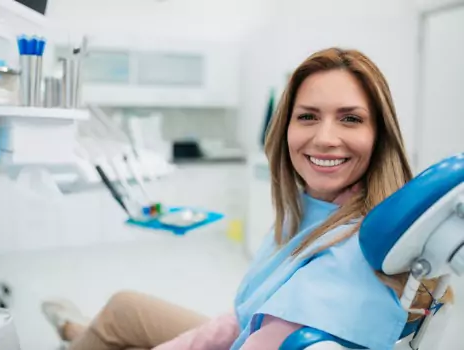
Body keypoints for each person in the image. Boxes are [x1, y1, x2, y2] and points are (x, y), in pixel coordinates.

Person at [41, 47, 452, 350]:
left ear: (380, 135)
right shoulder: (318, 208)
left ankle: (80, 336)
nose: (325, 138)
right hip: (244, 332)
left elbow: (264, 336)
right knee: (125, 307)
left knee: (119, 330)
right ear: (285, 128)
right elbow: (244, 318)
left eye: (350, 118)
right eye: (307, 115)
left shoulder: (349, 253)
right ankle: (83, 333)